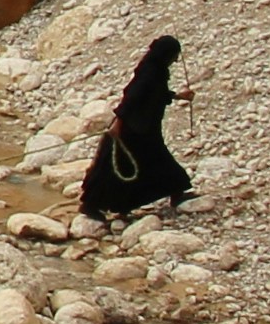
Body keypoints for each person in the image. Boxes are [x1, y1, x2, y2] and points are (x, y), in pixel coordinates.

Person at [81, 35, 194, 219]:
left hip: (145, 129)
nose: (176, 60)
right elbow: (131, 98)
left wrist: (178, 96)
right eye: (174, 55)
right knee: (123, 167)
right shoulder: (150, 72)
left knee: (152, 163)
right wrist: (118, 124)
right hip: (133, 131)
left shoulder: (156, 70)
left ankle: (176, 191)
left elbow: (155, 94)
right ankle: (91, 205)